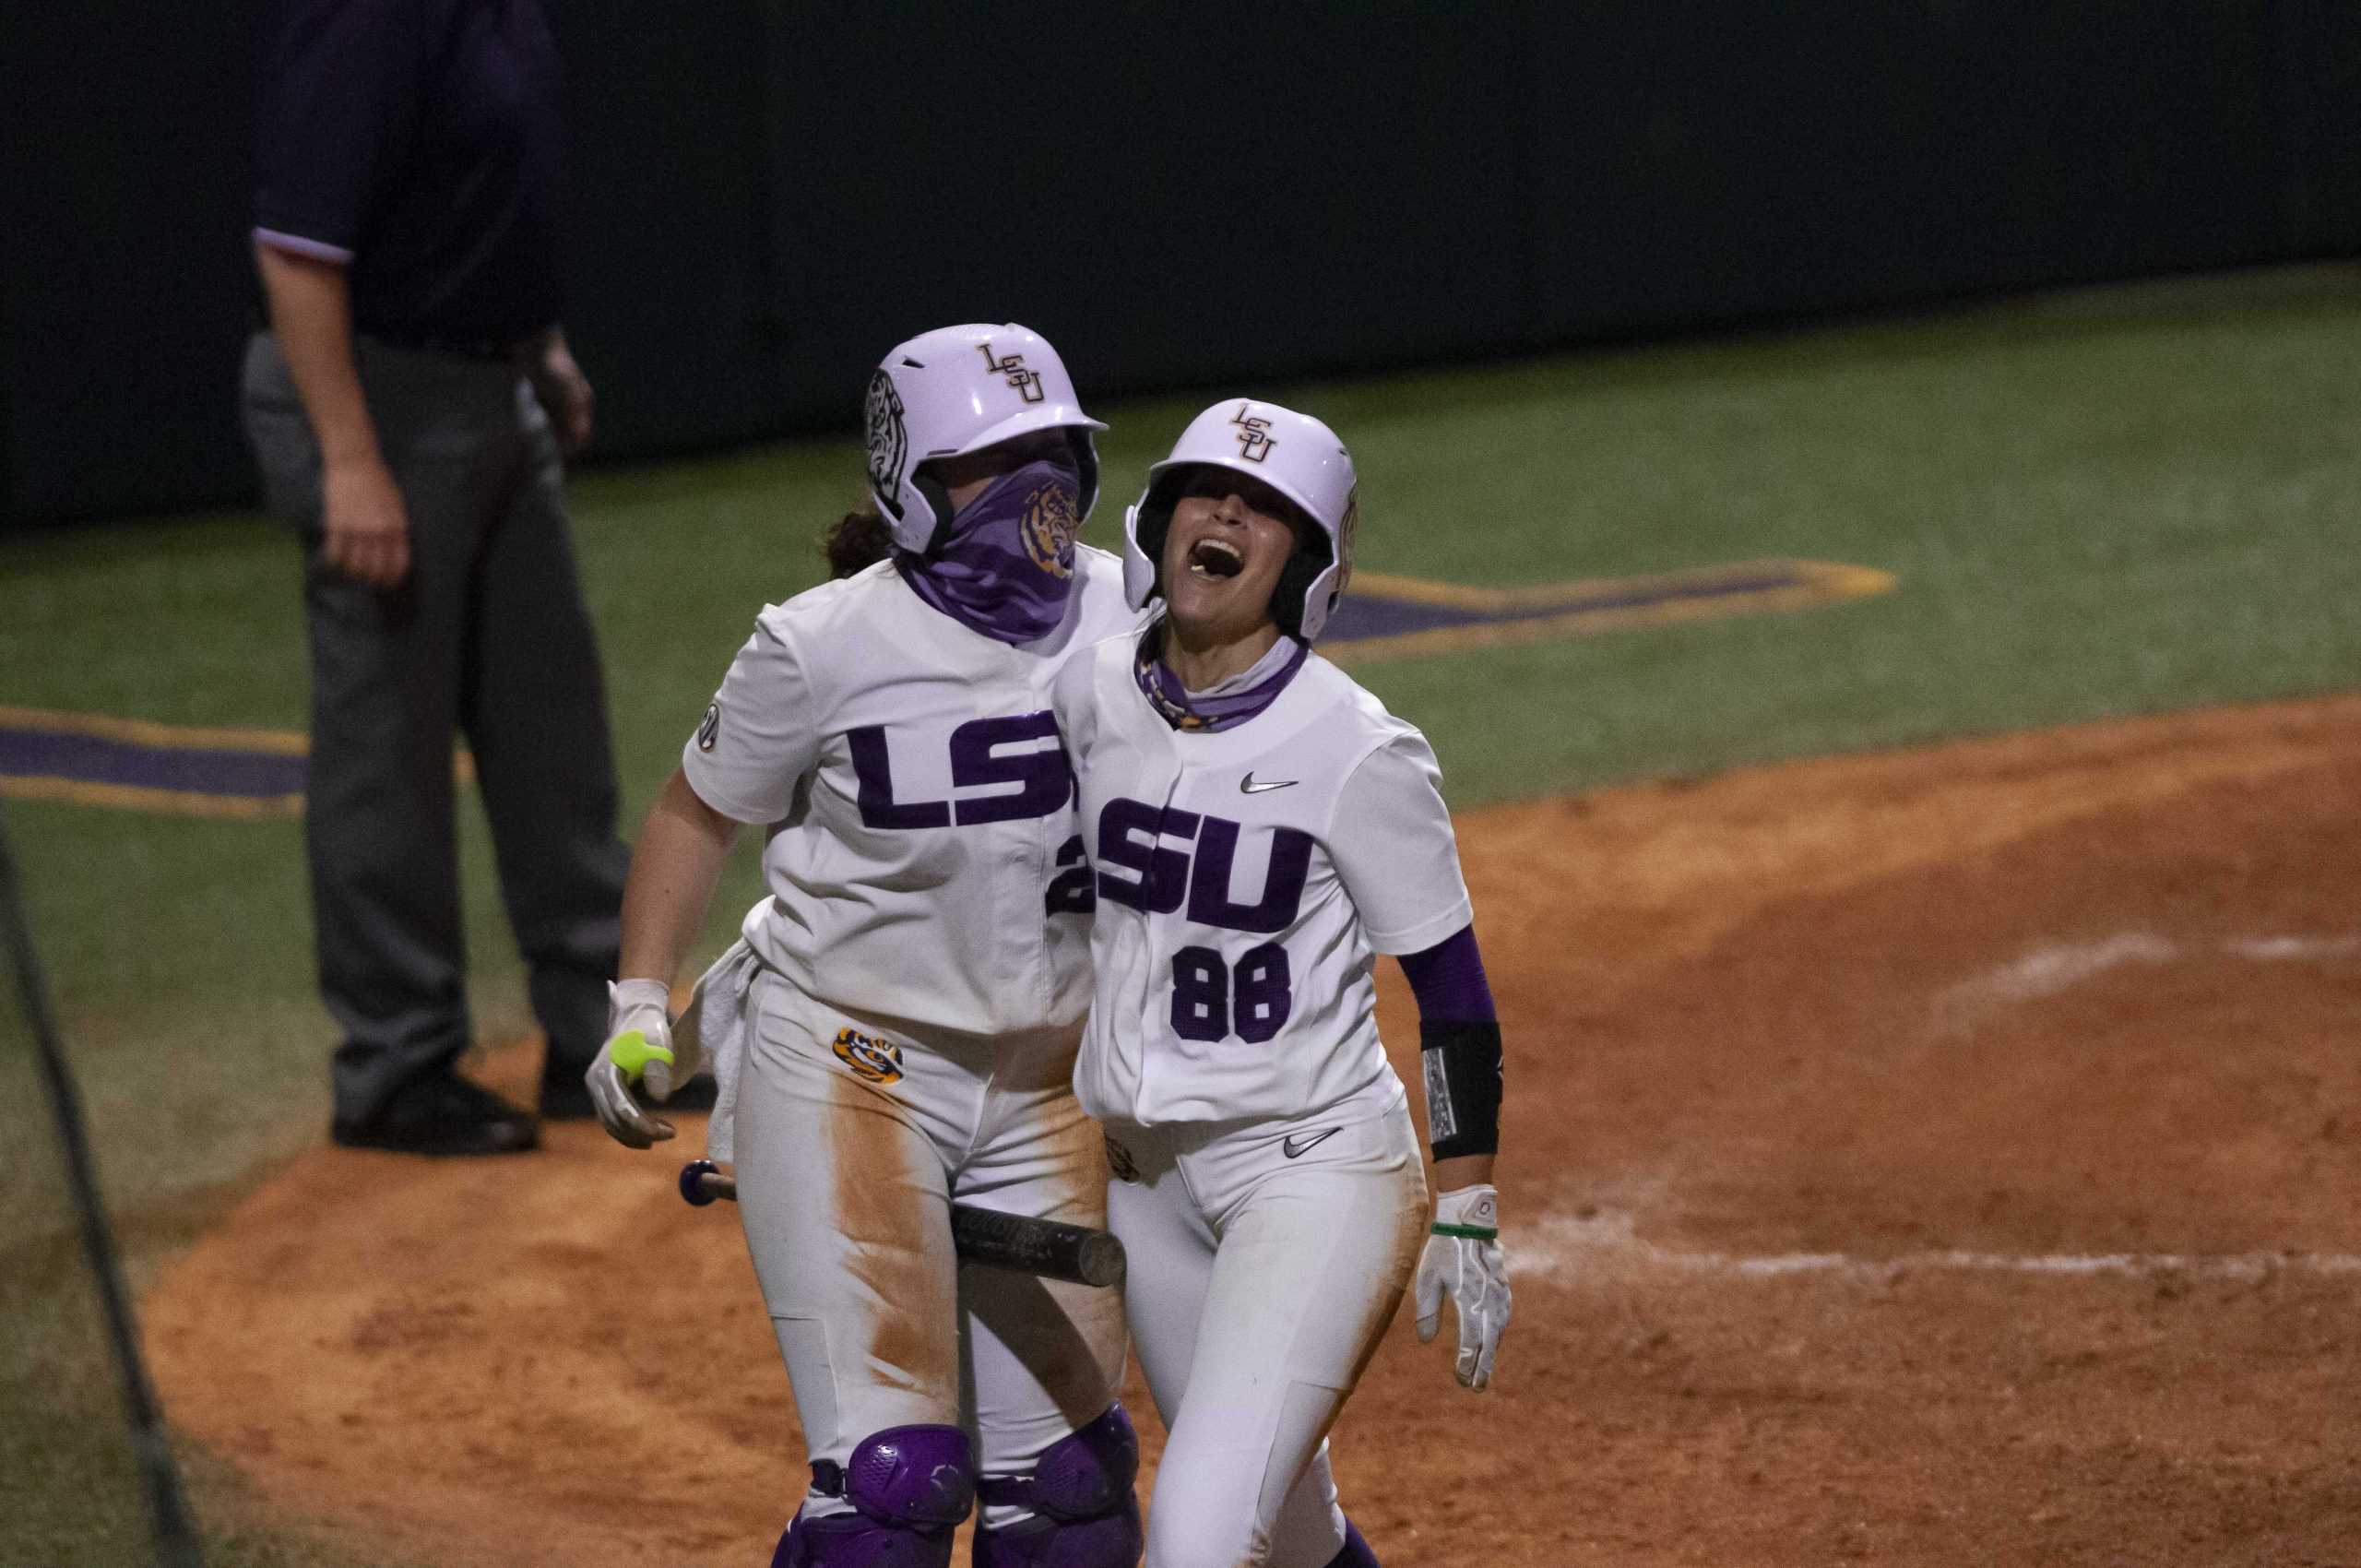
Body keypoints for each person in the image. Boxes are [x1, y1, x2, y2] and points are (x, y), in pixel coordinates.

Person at [585, 326, 1147, 1566]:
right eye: (988, 462)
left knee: (1068, 1492)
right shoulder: (821, 642)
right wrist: (639, 1001)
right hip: (850, 1070)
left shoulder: (1135, 612)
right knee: (892, 1496)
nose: (1032, 489)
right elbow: (694, 811)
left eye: (1053, 452)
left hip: (1050, 1088)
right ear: (905, 479)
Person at [1049, 399, 1514, 1568]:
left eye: (1262, 508)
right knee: (1293, 1531)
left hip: (1313, 1175)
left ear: (1302, 564)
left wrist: (1467, 1199)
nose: (1224, 513)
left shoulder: (1356, 746)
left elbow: (1451, 991)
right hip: (1147, 1182)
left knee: (1201, 1540)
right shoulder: (1088, 690)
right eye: (1204, 490)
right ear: (1158, 521)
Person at [241, 0, 630, 1154]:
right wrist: (349, 460)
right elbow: (296, 251)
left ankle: (595, 1035)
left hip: (488, 383)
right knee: (388, 751)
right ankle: (396, 1063)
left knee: (552, 729)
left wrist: (540, 349)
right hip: (377, 395)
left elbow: (494, 194)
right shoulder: (369, 15)